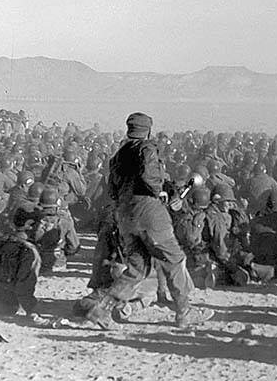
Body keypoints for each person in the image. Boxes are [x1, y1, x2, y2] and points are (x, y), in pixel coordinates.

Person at [86, 113, 212, 329]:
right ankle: (184, 311)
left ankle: (102, 309)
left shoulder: (118, 155)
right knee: (174, 259)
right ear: (148, 130)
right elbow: (150, 177)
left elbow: (113, 190)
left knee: (137, 268)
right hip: (148, 212)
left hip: (125, 214)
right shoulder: (147, 148)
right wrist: (161, 192)